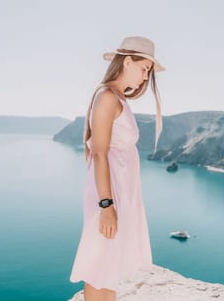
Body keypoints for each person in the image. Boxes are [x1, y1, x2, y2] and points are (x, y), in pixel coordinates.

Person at [69, 36, 165, 301]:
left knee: (107, 267)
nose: (146, 77)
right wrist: (106, 206)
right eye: (144, 68)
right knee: (99, 266)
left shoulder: (118, 99)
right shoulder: (107, 97)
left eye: (148, 71)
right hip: (108, 195)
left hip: (117, 193)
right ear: (127, 62)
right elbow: (99, 153)